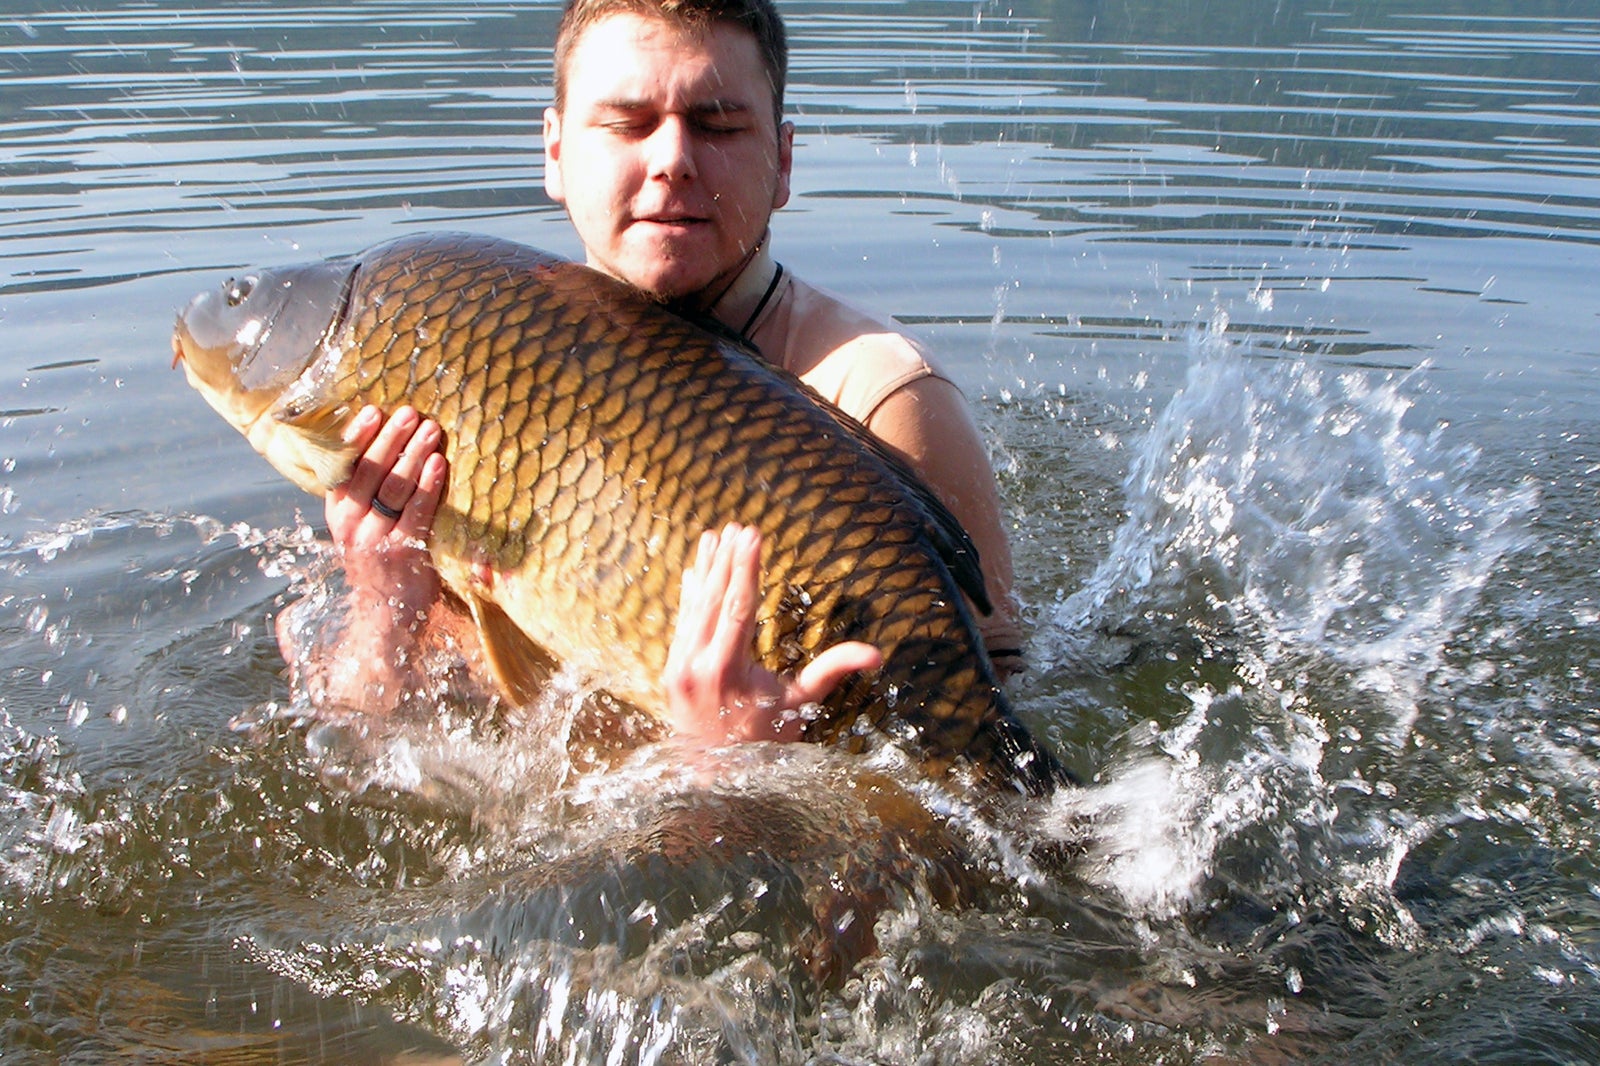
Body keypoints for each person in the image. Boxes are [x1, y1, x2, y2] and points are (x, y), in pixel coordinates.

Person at [278, 0, 1024, 747]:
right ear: (556, 151)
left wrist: (741, 770)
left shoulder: (880, 397)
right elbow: (365, 755)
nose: (673, 159)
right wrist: (383, 603)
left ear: (784, 161)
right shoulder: (465, 366)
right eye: (628, 124)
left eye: (719, 125)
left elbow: (994, 764)